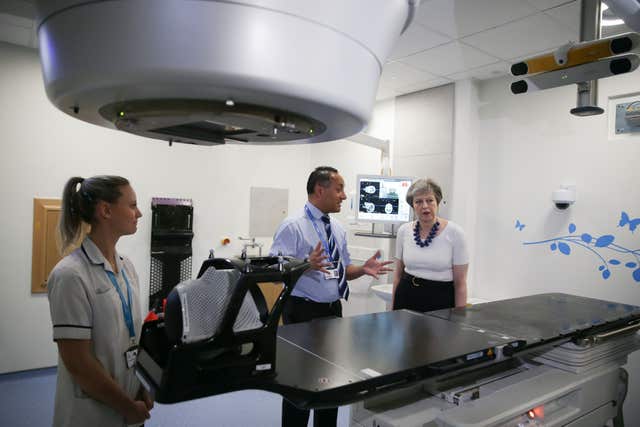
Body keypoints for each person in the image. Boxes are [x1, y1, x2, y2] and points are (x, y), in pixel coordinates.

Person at [270, 166, 393, 427]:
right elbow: (274, 271)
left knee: (331, 381)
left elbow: (342, 270)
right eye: (339, 189)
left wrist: (362, 269)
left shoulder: (336, 228)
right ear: (319, 189)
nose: (344, 196)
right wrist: (304, 264)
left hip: (332, 311)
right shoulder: (292, 226)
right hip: (302, 311)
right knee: (299, 383)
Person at [47, 175, 152, 427]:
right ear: (105, 210)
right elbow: (78, 363)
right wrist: (126, 406)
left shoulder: (127, 269)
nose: (138, 213)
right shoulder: (70, 276)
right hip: (90, 416)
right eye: (132, 205)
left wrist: (141, 385)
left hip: (128, 407)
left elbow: (132, 339)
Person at [392, 178, 469, 312]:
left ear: (437, 202)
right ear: (413, 206)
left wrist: (459, 319)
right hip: (406, 296)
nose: (425, 206)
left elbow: (460, 284)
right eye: (418, 201)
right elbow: (397, 275)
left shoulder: (455, 233)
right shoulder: (403, 231)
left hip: (440, 300)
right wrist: (392, 310)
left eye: (429, 200)